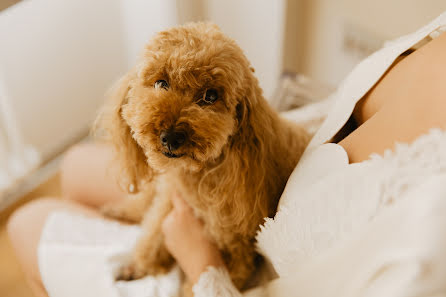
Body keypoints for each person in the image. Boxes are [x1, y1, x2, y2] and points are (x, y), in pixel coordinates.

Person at [7, 12, 446, 297]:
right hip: (227, 177)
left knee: (26, 223)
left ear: (241, 114)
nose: (173, 104)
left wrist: (200, 262)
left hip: (239, 270)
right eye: (160, 83)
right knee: (74, 165)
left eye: (209, 95)